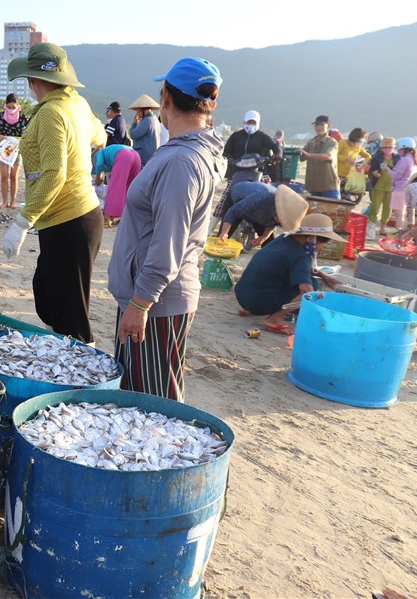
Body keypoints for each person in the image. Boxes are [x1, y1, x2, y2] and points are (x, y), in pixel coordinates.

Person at [108, 57, 225, 401]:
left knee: (154, 406)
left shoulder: (181, 161)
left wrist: (140, 304)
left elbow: (168, 243)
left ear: (166, 99)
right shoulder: (187, 152)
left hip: (157, 303)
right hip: (154, 297)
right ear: (211, 104)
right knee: (138, 399)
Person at [1, 42, 107, 343]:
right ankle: (66, 353)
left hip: (69, 219)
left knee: (70, 314)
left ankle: (82, 375)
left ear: (33, 80)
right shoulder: (77, 103)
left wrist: (22, 221)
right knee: (47, 296)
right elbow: (100, 135)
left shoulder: (50, 113)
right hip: (77, 217)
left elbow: (54, 174)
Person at [234, 213, 345, 335]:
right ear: (312, 237)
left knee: (302, 281)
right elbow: (306, 290)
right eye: (323, 241)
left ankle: (249, 309)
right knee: (311, 289)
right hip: (258, 302)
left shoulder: (283, 239)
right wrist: (322, 316)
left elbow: (289, 266)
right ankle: (273, 320)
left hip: (242, 295)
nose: (322, 247)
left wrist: (323, 275)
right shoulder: (301, 256)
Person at [217, 182, 308, 248]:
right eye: (281, 218)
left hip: (259, 214)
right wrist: (224, 232)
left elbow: (272, 224)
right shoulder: (262, 197)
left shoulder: (285, 215)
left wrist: (263, 237)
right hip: (237, 200)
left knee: (269, 245)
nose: (280, 221)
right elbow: (233, 212)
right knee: (222, 238)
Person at [0, 93, 29, 209]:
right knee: (4, 176)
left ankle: (12, 202)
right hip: (3, 149)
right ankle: (4, 201)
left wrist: (20, 140)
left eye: (13, 107)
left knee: (14, 176)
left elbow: (29, 132)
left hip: (17, 149)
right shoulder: (0, 116)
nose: (11, 110)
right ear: (5, 106)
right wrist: (0, 137)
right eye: (9, 107)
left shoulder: (23, 118)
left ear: (18, 105)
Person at [222, 110, 280, 182]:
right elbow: (226, 150)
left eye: (253, 123)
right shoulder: (236, 136)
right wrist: (230, 159)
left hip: (258, 171)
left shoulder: (263, 136)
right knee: (229, 191)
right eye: (249, 122)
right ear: (244, 122)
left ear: (258, 123)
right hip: (237, 171)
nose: (250, 125)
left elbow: (275, 147)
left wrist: (277, 155)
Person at [93, 144, 141, 227]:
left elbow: (99, 164)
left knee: (115, 187)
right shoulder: (110, 150)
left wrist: (97, 178)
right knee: (130, 188)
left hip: (124, 156)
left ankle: (108, 218)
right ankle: (129, 217)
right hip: (136, 156)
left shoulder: (100, 152)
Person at [301, 115, 340, 199]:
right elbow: (301, 157)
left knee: (333, 211)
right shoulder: (311, 142)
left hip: (329, 187)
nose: (319, 127)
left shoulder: (332, 142)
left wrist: (310, 155)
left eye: (322, 125)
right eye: (317, 125)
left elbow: (328, 156)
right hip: (313, 187)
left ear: (328, 126)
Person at [367, 136, 397, 235]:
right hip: (378, 186)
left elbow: (400, 171)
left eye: (390, 147)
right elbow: (371, 170)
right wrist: (374, 173)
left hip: (392, 187)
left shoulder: (398, 158)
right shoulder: (377, 158)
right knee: (375, 207)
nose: (387, 149)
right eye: (385, 147)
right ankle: (371, 227)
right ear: (382, 148)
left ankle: (382, 228)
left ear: (394, 148)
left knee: (388, 209)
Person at [390, 137, 417, 230]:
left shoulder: (405, 160)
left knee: (399, 213)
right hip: (408, 188)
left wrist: (388, 170)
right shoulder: (413, 160)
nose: (399, 152)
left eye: (400, 150)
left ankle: (398, 233)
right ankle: (406, 232)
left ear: (404, 148)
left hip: (400, 188)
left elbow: (397, 175)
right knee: (407, 213)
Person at [127, 93, 161, 165]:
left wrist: (134, 123)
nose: (137, 113)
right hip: (152, 156)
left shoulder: (147, 120)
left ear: (143, 110)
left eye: (138, 111)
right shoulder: (154, 119)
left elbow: (133, 134)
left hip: (145, 158)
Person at [337, 127, 371, 197]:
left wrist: (365, 162)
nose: (363, 140)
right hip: (337, 174)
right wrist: (346, 158)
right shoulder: (343, 143)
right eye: (363, 137)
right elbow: (334, 155)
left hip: (349, 175)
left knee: (345, 196)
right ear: (357, 137)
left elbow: (368, 156)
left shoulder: (357, 147)